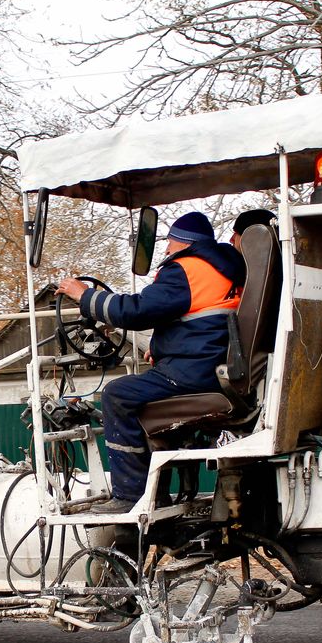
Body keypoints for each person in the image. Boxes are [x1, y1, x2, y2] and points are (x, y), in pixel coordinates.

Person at [55, 211, 244, 513]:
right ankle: (158, 492)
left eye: (169, 243)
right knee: (140, 391)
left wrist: (86, 296)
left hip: (193, 372)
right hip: (211, 364)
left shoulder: (187, 268)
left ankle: (130, 495)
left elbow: (137, 311)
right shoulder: (225, 270)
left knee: (117, 395)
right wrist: (163, 347)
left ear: (181, 242)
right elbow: (204, 321)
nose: (167, 250)